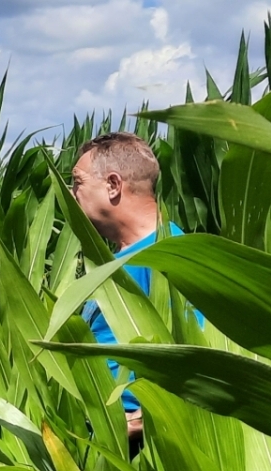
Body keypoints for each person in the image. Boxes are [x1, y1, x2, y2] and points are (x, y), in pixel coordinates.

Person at [67, 131, 182, 445]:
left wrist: (141, 423)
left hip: (140, 450)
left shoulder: (171, 253)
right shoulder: (117, 260)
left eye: (77, 182)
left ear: (113, 185)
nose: (71, 192)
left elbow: (201, 357)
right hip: (102, 442)